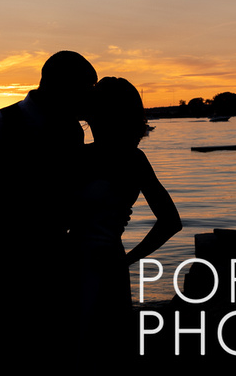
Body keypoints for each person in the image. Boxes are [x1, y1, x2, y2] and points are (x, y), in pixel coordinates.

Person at [0, 50, 97, 364]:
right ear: (61, 86)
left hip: (57, 263)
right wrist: (3, 239)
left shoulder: (72, 131)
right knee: (10, 354)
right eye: (86, 89)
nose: (89, 98)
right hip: (4, 267)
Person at [69, 77, 182, 360]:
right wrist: (126, 260)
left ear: (101, 113)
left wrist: (126, 261)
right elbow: (170, 221)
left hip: (82, 263)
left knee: (86, 347)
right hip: (105, 261)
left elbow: (171, 221)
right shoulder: (133, 159)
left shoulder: (78, 157)